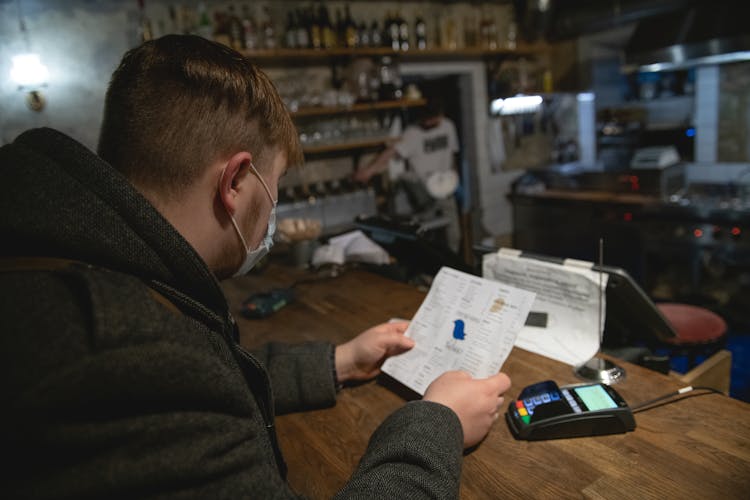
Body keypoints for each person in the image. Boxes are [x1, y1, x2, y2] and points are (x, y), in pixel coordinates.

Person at [0, 35, 511, 498]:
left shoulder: (75, 262)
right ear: (236, 182)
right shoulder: (127, 352)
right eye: (277, 186)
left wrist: (338, 361)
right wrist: (437, 420)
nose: (272, 211)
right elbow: (184, 380)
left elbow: (214, 372)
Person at [354, 84, 462, 254]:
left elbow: (453, 154)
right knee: (427, 240)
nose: (430, 122)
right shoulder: (413, 133)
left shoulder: (448, 126)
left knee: (453, 236)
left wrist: (455, 176)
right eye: (427, 118)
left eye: (434, 119)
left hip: (446, 190)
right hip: (423, 195)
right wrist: (369, 171)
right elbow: (390, 153)